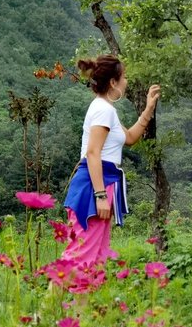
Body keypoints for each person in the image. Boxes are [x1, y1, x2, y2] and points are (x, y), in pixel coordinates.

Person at [61, 54, 160, 267]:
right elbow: (93, 153)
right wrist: (99, 196)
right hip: (94, 185)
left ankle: (81, 299)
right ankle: (57, 299)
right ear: (113, 82)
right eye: (123, 77)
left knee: (95, 255)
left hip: (101, 183)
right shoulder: (103, 110)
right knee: (82, 255)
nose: (126, 82)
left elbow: (130, 138)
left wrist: (148, 109)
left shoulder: (106, 110)